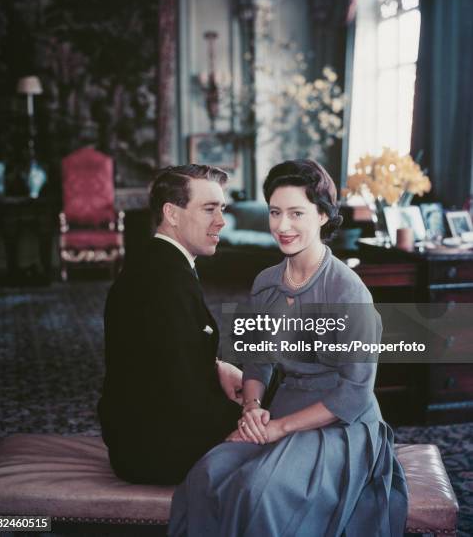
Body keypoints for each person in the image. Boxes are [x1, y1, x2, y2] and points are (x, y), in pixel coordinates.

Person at [169, 159, 408, 537]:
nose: (282, 226)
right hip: (281, 412)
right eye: (275, 212)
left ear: (323, 217)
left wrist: (280, 427)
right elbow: (257, 361)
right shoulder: (265, 284)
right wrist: (251, 409)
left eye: (296, 213)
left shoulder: (348, 291)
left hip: (341, 425)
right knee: (206, 475)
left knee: (263, 491)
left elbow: (355, 392)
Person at [98, 164, 242, 485]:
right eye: (209, 209)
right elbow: (182, 397)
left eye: (222, 209)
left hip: (147, 433)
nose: (221, 221)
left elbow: (161, 354)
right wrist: (250, 416)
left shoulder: (161, 262)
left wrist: (216, 366)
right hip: (155, 450)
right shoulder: (164, 280)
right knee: (292, 448)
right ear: (172, 214)